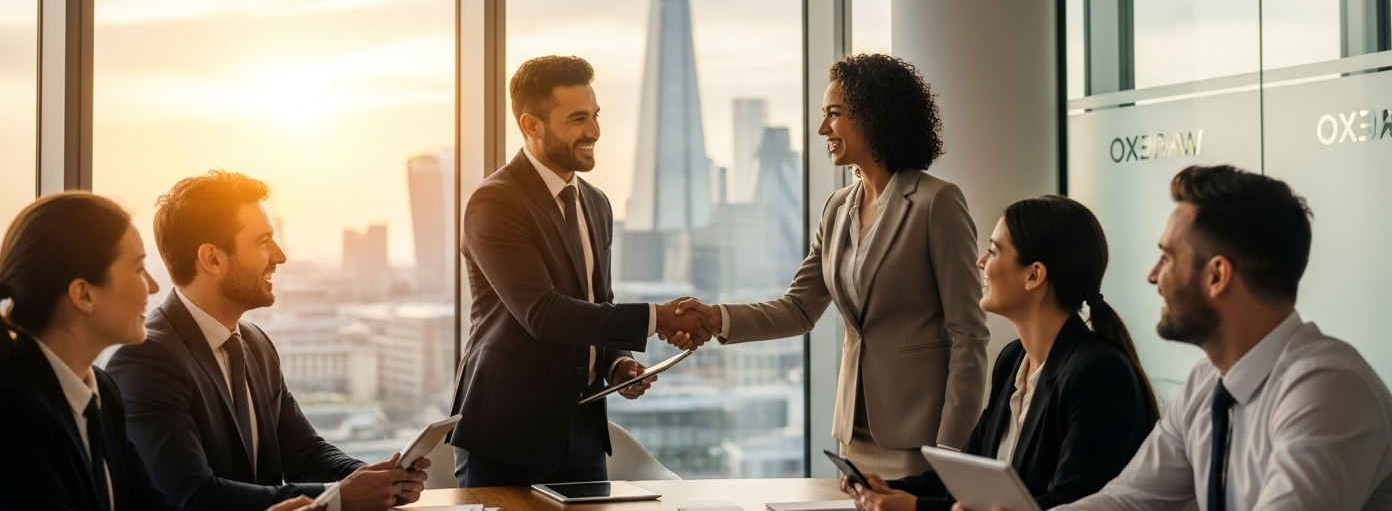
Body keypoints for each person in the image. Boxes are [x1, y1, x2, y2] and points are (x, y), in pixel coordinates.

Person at [669, 53, 989, 476]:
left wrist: (951, 451)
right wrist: (718, 317)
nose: (823, 129)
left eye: (834, 115)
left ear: (874, 116)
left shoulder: (936, 203)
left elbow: (968, 333)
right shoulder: (837, 208)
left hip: (921, 438)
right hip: (852, 436)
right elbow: (799, 308)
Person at [1044, 165, 1392, 511]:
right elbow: (1129, 500)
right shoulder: (1205, 382)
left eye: (1166, 258)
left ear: (1217, 276)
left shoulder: (1328, 389)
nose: (1153, 276)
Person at [451, 55, 713, 487]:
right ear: (532, 125)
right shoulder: (494, 202)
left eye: (594, 116)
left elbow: (597, 305)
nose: (594, 131)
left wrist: (617, 363)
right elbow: (543, 313)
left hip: (585, 432)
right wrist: (656, 318)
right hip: (508, 435)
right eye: (577, 119)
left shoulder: (596, 202)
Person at [106, 172, 430, 511]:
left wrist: (378, 480)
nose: (280, 256)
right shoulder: (146, 359)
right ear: (212, 258)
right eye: (263, 242)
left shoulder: (254, 343)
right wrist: (337, 498)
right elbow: (192, 495)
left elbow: (304, 452)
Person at [0, 192, 326, 511]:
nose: (153, 285)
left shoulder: (101, 392)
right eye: (138, 269)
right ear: (84, 295)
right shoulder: (5, 413)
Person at [843, 195, 1158, 511]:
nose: (981, 262)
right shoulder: (1012, 361)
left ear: (1033, 275)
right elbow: (969, 473)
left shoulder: (1100, 375)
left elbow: (1067, 504)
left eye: (993, 251)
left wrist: (916, 508)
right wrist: (888, 488)